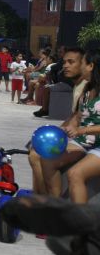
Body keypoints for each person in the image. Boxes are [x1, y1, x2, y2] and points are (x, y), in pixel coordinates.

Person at [40, 49, 100, 204]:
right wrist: (63, 129)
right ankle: (56, 205)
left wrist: (81, 130)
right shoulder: (86, 91)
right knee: (47, 160)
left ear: (91, 66)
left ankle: (80, 221)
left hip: (98, 146)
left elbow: (82, 127)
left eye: (82, 63)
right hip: (84, 142)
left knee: (75, 173)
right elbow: (78, 117)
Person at [28, 48, 85, 195]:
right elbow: (74, 116)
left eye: (71, 62)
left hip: (84, 139)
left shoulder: (86, 87)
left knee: (36, 155)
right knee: (34, 149)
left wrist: (64, 133)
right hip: (77, 136)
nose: (65, 65)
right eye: (64, 62)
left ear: (84, 64)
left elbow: (79, 118)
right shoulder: (78, 85)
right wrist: (58, 130)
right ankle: (40, 197)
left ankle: (45, 200)